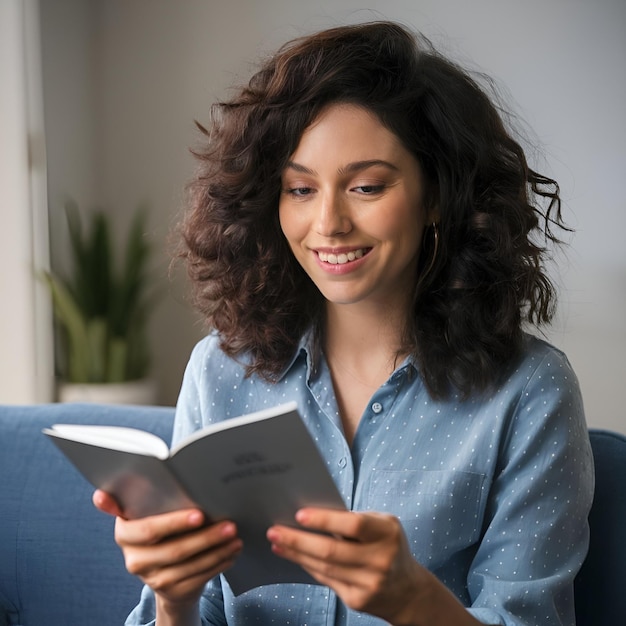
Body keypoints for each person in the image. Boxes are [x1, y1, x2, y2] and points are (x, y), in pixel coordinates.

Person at [94, 20, 594, 626]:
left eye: (365, 186)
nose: (328, 222)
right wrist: (173, 595)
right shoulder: (220, 372)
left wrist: (414, 599)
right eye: (300, 189)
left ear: (437, 194)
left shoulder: (529, 392)